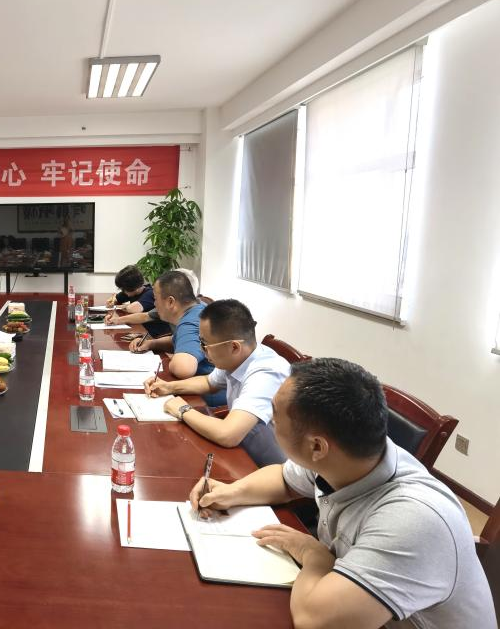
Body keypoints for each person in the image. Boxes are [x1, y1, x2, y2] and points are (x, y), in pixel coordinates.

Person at [189, 358, 496, 629]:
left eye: (275, 416)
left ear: (317, 446)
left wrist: (313, 555)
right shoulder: (347, 457)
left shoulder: (414, 519)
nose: (271, 421)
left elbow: (315, 620)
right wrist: (231, 492)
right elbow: (284, 479)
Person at [144, 299, 288, 466]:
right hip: (243, 449)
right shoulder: (239, 358)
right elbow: (209, 382)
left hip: (270, 467)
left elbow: (228, 434)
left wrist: (183, 409)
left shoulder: (266, 374)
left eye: (205, 344)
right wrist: (169, 387)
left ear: (234, 347)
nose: (202, 350)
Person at [101, 265, 172, 346]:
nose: (123, 292)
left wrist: (120, 309)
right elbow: (116, 299)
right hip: (144, 330)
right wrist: (113, 304)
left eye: (124, 289)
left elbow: (133, 309)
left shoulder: (150, 293)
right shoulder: (130, 292)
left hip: (157, 334)